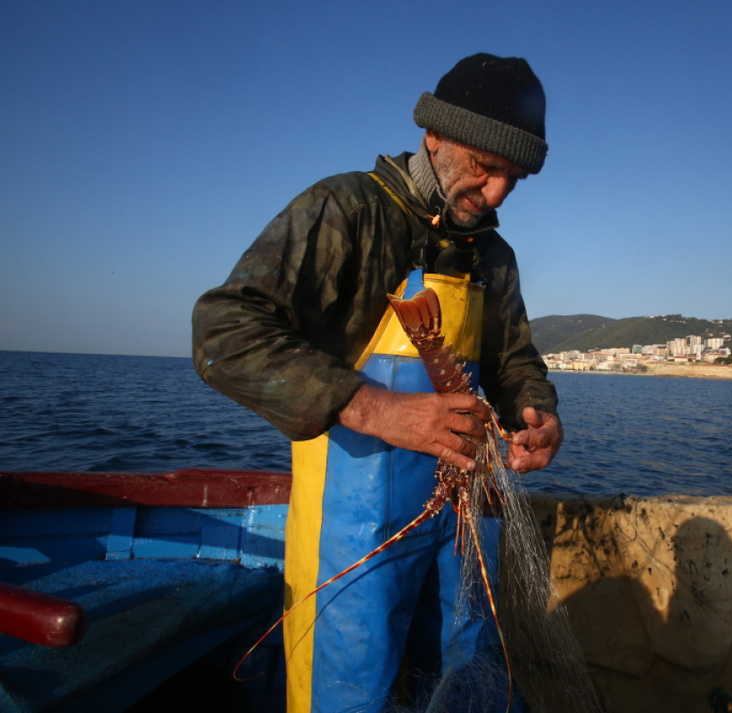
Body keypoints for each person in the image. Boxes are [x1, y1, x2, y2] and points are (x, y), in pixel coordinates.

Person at [191, 53, 561, 713]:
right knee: (352, 689)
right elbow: (223, 333)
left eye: (515, 178)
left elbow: (512, 360)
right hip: (354, 533)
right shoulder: (347, 211)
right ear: (435, 137)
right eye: (484, 165)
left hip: (459, 524)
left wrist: (535, 410)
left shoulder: (493, 258)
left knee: (463, 675)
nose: (498, 193)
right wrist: (377, 408)